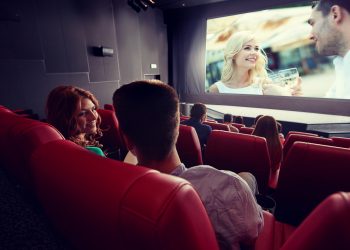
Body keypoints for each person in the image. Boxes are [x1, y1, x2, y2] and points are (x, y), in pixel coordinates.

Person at [113, 80, 263, 250]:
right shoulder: (225, 185)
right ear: (177, 128)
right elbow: (253, 233)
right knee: (247, 178)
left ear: (126, 139)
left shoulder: (114, 193)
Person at [208, 31, 302, 96]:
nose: (254, 52)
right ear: (233, 54)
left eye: (256, 48)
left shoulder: (264, 84)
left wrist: (291, 97)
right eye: (247, 48)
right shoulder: (216, 90)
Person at [46, 86, 105, 156]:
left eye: (93, 109)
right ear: (64, 119)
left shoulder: (59, 142)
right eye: (82, 113)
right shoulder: (93, 152)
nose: (94, 117)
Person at [308, 0, 350, 99]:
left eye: (313, 23)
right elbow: (328, 110)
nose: (309, 36)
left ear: (335, 14)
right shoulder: (343, 65)